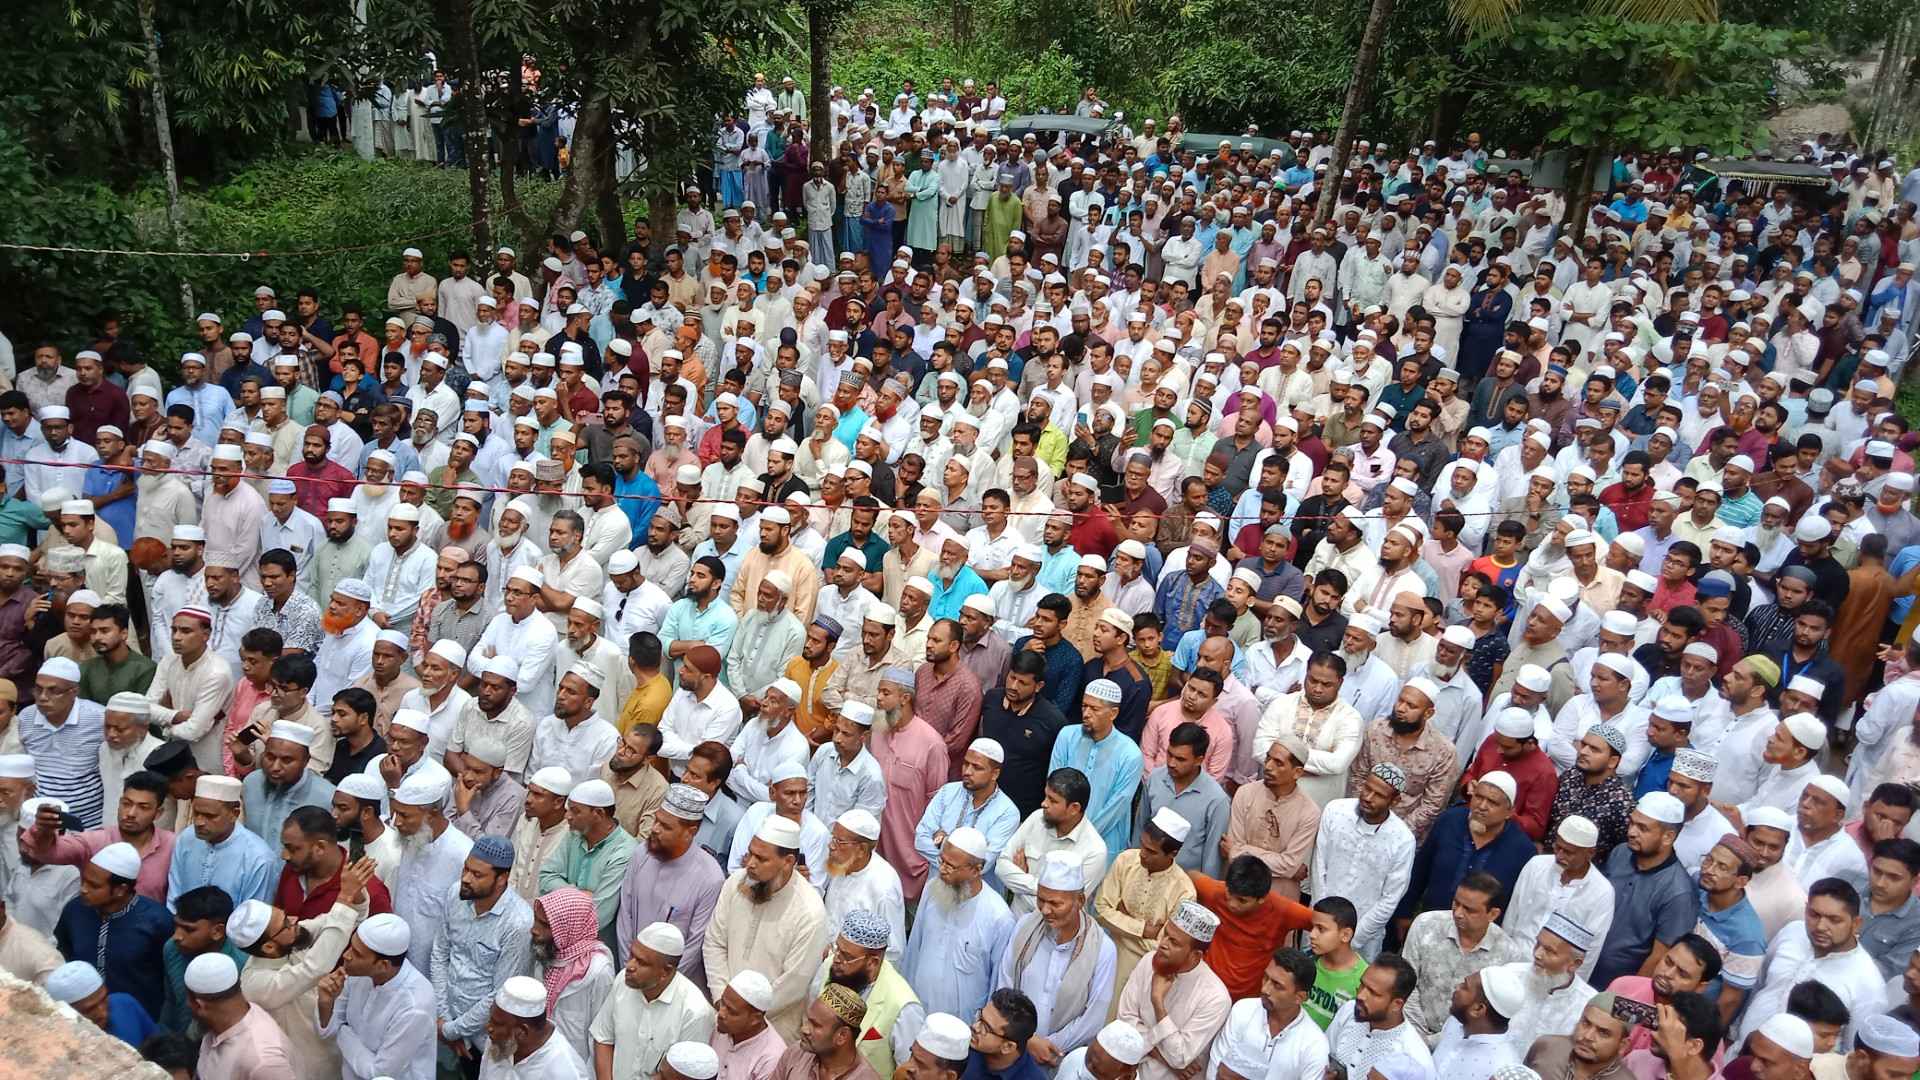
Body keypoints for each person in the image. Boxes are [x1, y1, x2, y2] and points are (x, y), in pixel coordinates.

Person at [703, 814, 830, 1041]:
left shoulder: (810, 913)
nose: (750, 863)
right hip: (722, 1015)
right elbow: (714, 943)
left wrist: (742, 1014)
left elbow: (792, 986)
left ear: (788, 862)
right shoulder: (736, 882)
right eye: (751, 853)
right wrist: (723, 1002)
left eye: (761, 859)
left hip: (771, 1032)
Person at [994, 850, 1117, 1068]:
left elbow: (1093, 1017)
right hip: (1013, 1048)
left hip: (1061, 1059)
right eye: (1040, 900)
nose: (1045, 910)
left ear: (1080, 900)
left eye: (1055, 903)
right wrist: (1027, 1040)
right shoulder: (1025, 927)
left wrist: (1049, 1047)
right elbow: (1005, 985)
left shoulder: (1102, 949)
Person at [431, 834, 534, 1065]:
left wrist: (453, 1030)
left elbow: (501, 993)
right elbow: (440, 954)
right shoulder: (456, 894)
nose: (466, 879)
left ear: (501, 879)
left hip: (486, 1039)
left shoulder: (518, 923)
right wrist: (445, 1020)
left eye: (477, 875)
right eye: (466, 869)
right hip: (446, 1019)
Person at [901, 827, 1015, 1021]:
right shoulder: (932, 889)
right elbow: (914, 948)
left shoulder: (999, 918)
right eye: (941, 861)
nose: (942, 870)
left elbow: (997, 982)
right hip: (918, 1010)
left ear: (976, 870)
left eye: (951, 866)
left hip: (962, 1023)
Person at [1113, 899, 1231, 1080]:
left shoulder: (1215, 998)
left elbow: (1180, 1057)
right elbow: (1124, 1023)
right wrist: (1162, 1057)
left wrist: (1158, 1004)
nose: (1162, 944)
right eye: (1165, 934)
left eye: (1174, 942)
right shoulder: (1149, 961)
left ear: (1196, 955)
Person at [54, 841, 172, 1019]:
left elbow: (169, 980)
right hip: (82, 1019)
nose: (83, 889)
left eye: (94, 885)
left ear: (120, 890)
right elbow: (63, 954)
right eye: (84, 881)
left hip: (138, 1019)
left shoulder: (158, 921)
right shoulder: (75, 910)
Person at [589, 921, 718, 1080]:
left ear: (666, 971)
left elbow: (681, 1075)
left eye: (641, 962)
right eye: (631, 956)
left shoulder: (695, 1013)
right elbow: (603, 1038)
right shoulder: (623, 981)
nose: (630, 966)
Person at [317, 912, 437, 1080]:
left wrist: (343, 1032)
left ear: (383, 965)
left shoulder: (415, 1006)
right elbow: (327, 1032)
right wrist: (326, 1002)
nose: (346, 955)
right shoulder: (357, 973)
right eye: (351, 946)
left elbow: (380, 1073)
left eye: (357, 954)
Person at [1400, 872, 1511, 1043]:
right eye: (1456, 903)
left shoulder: (1507, 953)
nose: (1458, 913)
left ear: (1493, 914)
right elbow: (1405, 982)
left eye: (1469, 909)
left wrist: (1436, 1042)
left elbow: (1488, 1014)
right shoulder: (1426, 925)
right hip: (1407, 1032)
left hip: (1462, 1043)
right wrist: (1417, 1039)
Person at [1324, 954, 1431, 1078]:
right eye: (1362, 985)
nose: (1360, 996)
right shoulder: (1350, 1010)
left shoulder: (1413, 1058)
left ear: (1396, 1004)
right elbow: (1325, 1057)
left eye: (1373, 993)